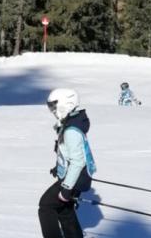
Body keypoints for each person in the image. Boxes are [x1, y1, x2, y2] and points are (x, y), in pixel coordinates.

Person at [39, 88, 95, 238]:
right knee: (64, 209)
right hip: (74, 177)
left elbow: (78, 162)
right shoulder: (71, 123)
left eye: (54, 105)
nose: (52, 110)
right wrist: (59, 167)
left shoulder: (71, 130)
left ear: (66, 103)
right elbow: (69, 155)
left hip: (75, 179)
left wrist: (66, 188)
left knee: (46, 206)